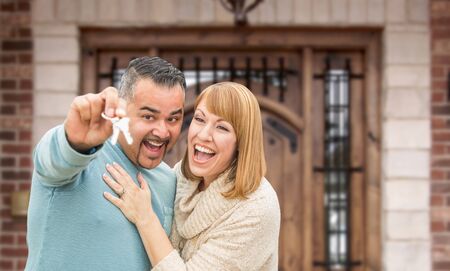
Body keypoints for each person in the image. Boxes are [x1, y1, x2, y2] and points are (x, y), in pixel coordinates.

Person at [25, 56, 186, 271]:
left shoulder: (169, 179)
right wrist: (74, 143)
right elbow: (53, 161)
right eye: (148, 117)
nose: (162, 131)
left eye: (173, 119)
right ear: (122, 110)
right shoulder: (80, 157)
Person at [102, 82, 281, 270]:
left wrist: (145, 218)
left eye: (222, 128)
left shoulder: (256, 209)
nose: (203, 135)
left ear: (242, 143)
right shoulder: (182, 177)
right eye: (200, 119)